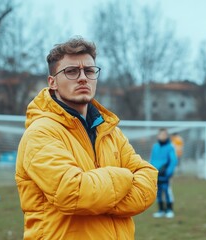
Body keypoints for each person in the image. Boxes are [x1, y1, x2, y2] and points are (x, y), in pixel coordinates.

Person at [15, 37, 158, 239]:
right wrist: (125, 177)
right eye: (71, 71)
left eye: (89, 71)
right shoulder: (41, 133)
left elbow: (148, 182)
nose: (83, 78)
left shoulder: (110, 130)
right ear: (52, 82)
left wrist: (99, 196)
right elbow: (72, 194)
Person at [150, 128, 178, 218]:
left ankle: (169, 209)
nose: (162, 136)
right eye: (161, 134)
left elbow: (173, 161)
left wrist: (168, 172)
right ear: (158, 136)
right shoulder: (155, 147)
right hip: (156, 174)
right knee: (158, 192)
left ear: (167, 136)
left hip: (165, 175)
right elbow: (152, 160)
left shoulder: (170, 147)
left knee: (167, 191)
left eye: (164, 134)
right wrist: (151, 171)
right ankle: (161, 210)